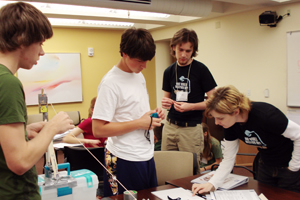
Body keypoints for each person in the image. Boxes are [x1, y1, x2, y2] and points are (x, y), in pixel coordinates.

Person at [0, 2, 74, 200]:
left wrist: (24, 133)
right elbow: (20, 162)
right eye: (40, 43)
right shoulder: (8, 83)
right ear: (22, 39)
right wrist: (52, 128)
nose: (41, 52)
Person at [92, 27, 165, 197]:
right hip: (120, 158)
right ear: (124, 53)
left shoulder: (138, 75)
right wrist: (139, 123)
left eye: (147, 61)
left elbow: (133, 111)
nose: (145, 66)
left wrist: (152, 114)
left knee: (147, 197)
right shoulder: (110, 83)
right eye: (140, 61)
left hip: (145, 155)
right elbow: (98, 129)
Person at [192, 85, 300, 195]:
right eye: (215, 118)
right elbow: (229, 158)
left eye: (220, 118)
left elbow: (298, 135)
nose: (216, 123)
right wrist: (212, 184)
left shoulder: (267, 115)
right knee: (264, 195)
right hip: (265, 164)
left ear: (236, 112)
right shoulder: (230, 125)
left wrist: (294, 166)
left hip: (288, 163)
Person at [161, 28, 217, 173]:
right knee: (166, 167)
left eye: (188, 51)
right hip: (170, 126)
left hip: (191, 129)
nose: (184, 54)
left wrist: (191, 107)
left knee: (189, 170)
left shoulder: (201, 70)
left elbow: (214, 101)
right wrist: (165, 103)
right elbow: (166, 99)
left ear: (193, 50)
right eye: (181, 50)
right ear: (173, 47)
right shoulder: (169, 71)